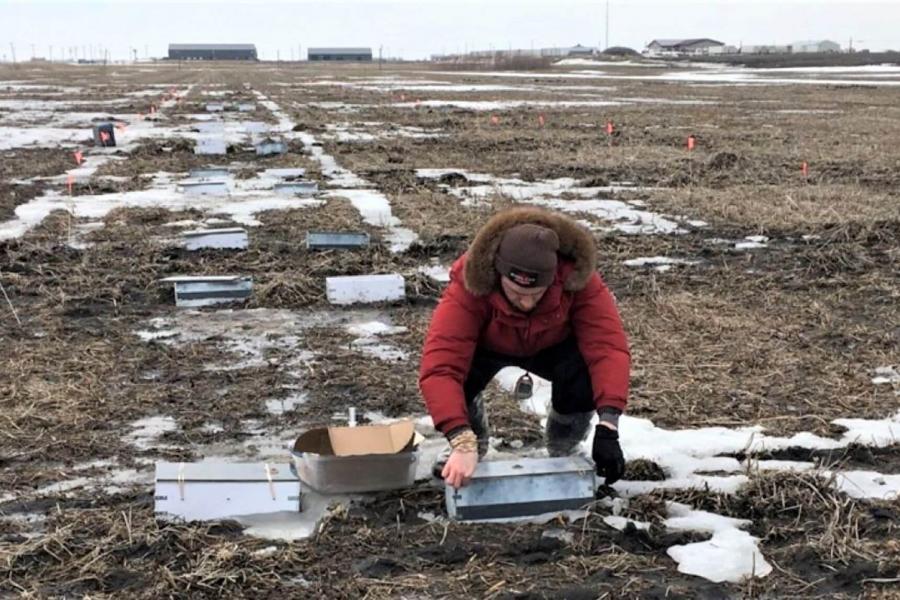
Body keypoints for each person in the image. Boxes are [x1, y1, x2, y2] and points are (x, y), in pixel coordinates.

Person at [419, 206, 630, 489]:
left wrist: (608, 426)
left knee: (583, 372)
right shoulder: (471, 283)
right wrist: (461, 438)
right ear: (498, 275)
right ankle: (473, 443)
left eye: (537, 294)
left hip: (553, 346)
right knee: (460, 373)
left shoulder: (577, 279)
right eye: (518, 293)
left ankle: (564, 447)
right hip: (489, 346)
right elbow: (441, 366)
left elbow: (608, 348)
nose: (527, 303)